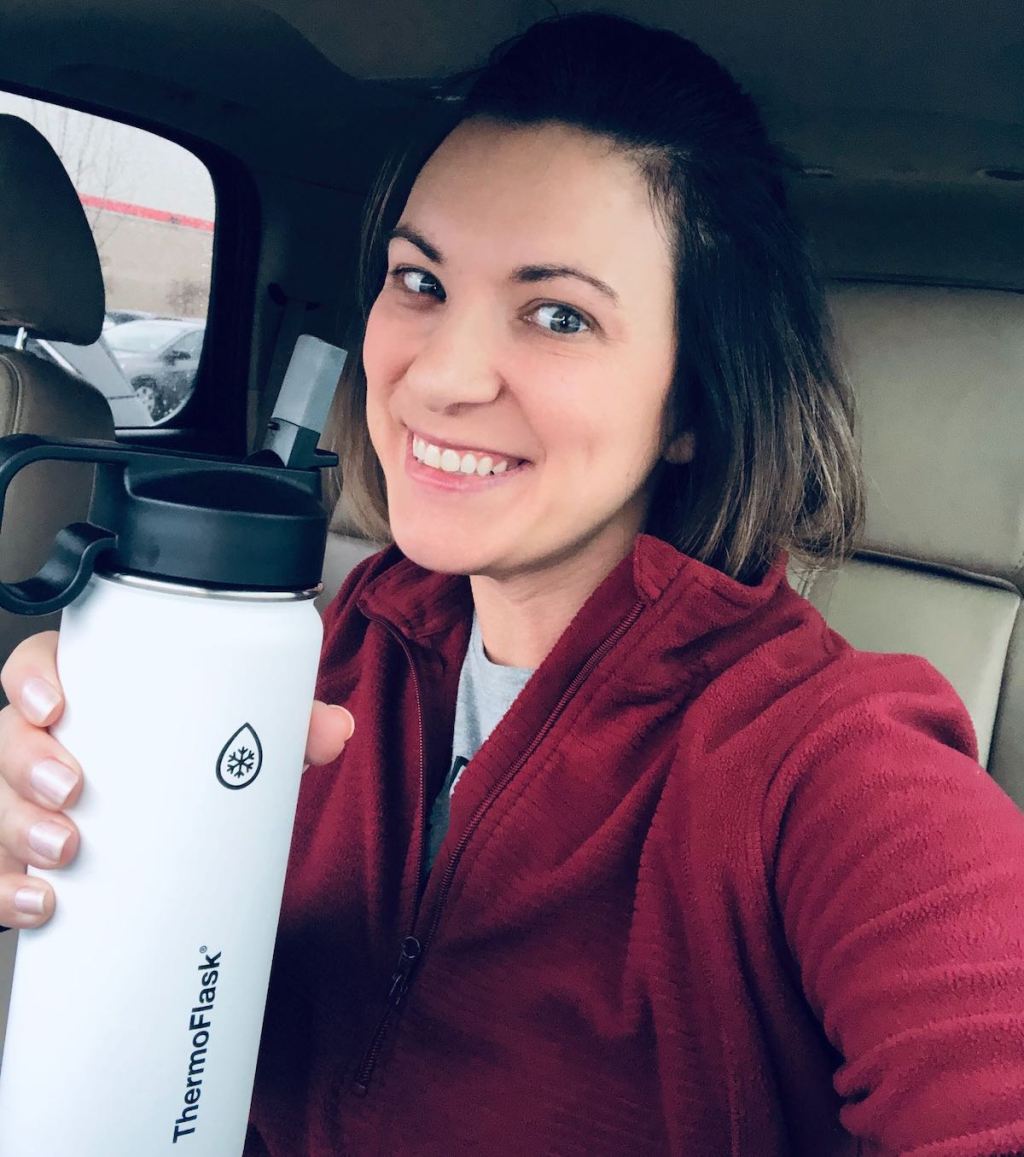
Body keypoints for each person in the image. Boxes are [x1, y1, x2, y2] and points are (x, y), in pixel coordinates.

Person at [1, 13, 1023, 1155]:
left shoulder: (825, 762)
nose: (438, 376)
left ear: (691, 402)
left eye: (557, 314)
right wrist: (77, 845)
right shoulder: (317, 660)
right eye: (420, 280)